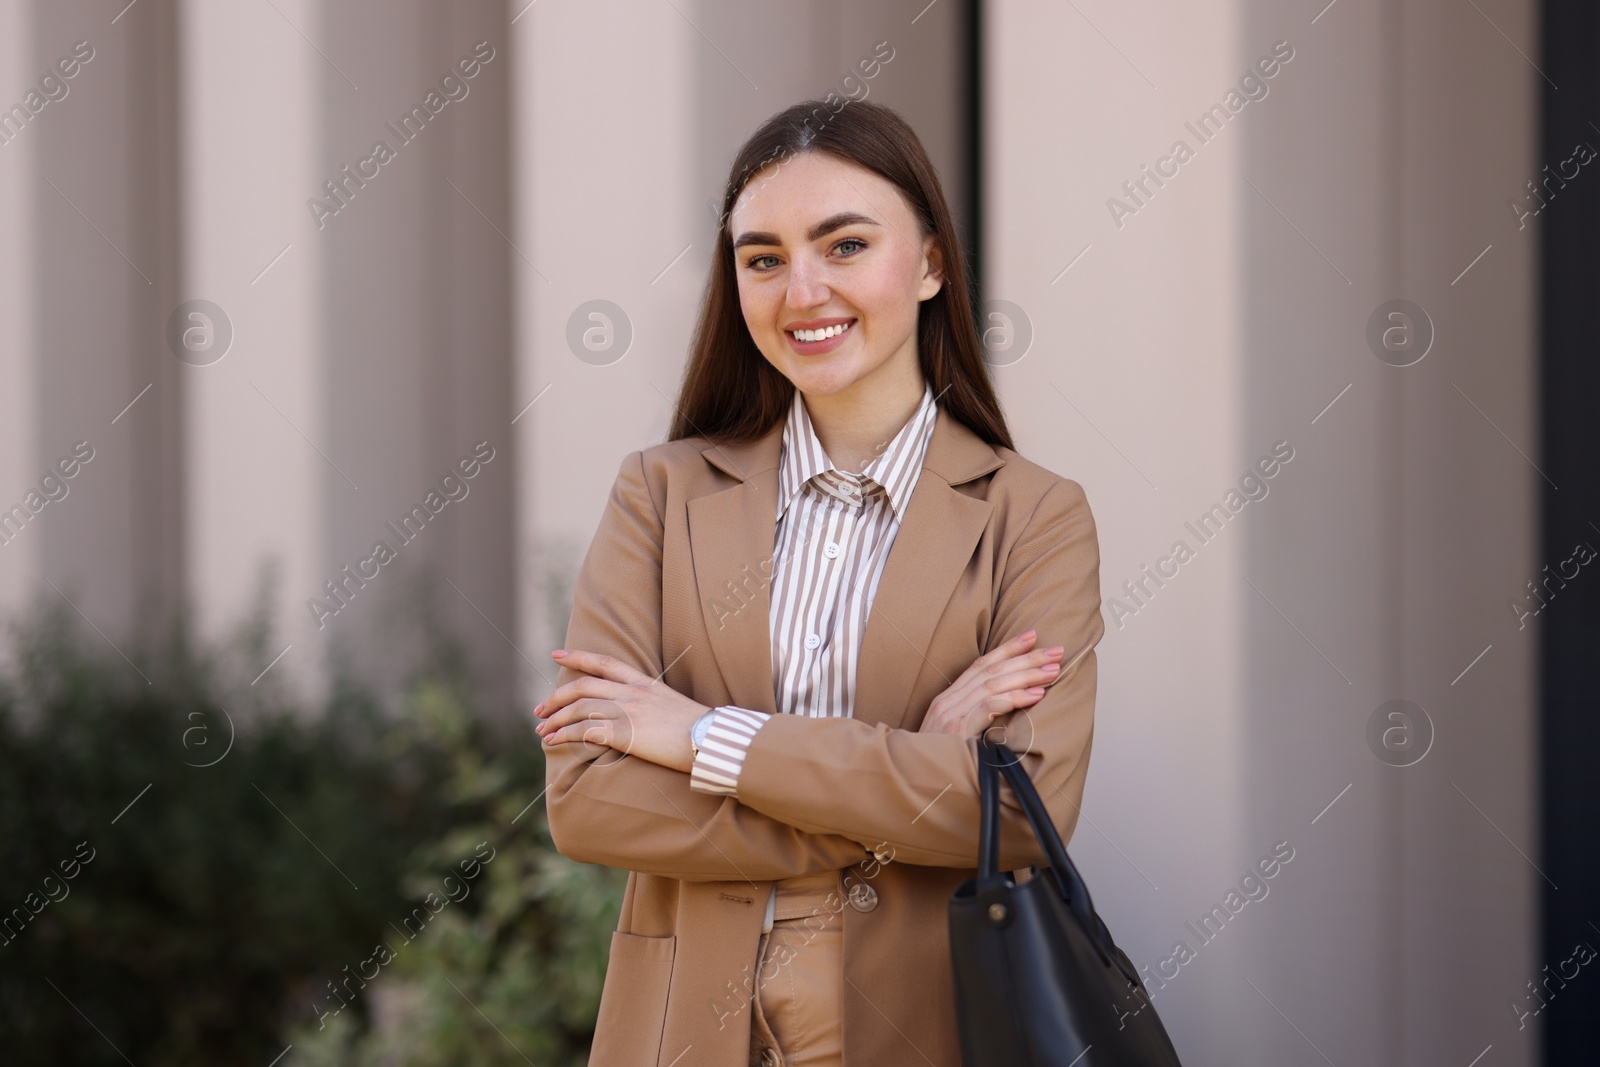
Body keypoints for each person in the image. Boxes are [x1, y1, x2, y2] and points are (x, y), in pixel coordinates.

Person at [533, 98, 1104, 1067]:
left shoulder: (1031, 515)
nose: (801, 290)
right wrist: (909, 774)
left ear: (929, 263)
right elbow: (589, 798)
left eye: (843, 245)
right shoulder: (659, 494)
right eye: (762, 258)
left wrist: (702, 737)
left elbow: (1014, 813)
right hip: (685, 1030)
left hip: (920, 1023)